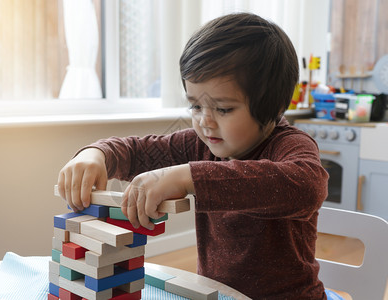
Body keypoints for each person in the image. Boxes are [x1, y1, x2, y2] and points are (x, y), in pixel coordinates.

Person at [57, 13, 331, 299]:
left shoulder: (289, 145)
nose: (205, 121)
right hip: (216, 294)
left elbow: (307, 186)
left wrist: (188, 176)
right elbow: (135, 150)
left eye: (223, 109)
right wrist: (95, 155)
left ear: (272, 108)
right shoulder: (200, 144)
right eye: (195, 106)